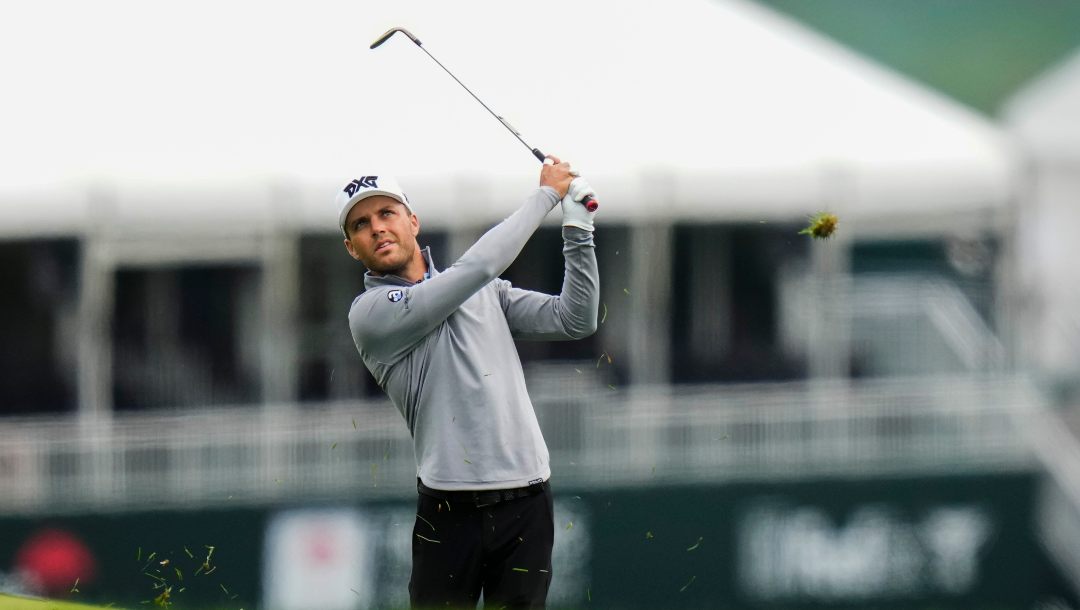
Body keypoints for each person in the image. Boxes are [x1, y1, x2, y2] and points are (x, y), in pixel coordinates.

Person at [336, 157, 599, 609]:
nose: (377, 228)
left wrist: (578, 231)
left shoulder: (483, 291)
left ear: (412, 222)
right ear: (351, 247)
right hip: (448, 511)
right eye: (362, 224)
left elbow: (575, 318)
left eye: (386, 214)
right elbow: (474, 270)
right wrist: (546, 196)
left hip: (527, 503)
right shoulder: (370, 313)